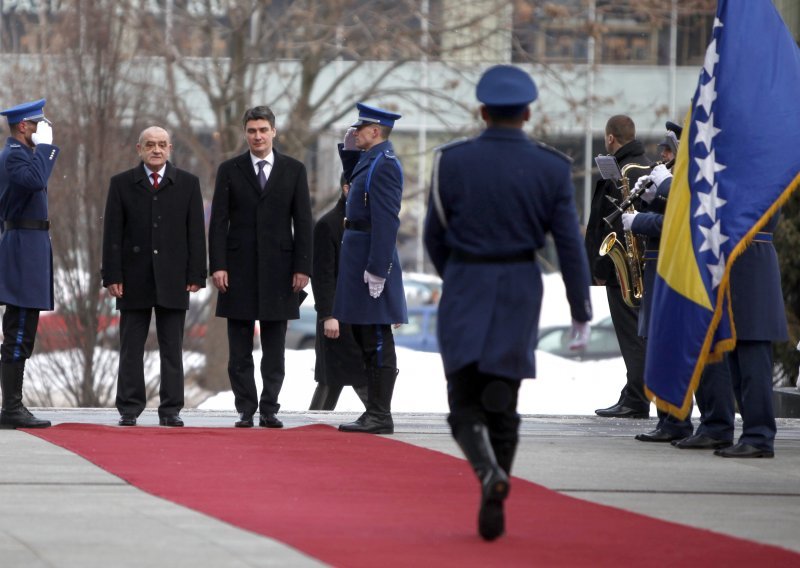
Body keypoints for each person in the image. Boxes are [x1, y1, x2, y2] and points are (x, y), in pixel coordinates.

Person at [424, 65, 592, 541]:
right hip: (520, 285)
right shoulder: (552, 167)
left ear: (482, 111)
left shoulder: (451, 162)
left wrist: (455, 274)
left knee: (463, 400)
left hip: (466, 282)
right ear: (528, 112)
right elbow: (569, 246)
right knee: (504, 398)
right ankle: (493, 493)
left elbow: (433, 236)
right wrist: (580, 308)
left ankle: (486, 473)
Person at [208, 105, 312, 429]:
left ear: (274, 132)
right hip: (237, 270)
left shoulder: (294, 170)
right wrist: (218, 265)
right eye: (252, 131)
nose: (257, 136)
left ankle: (269, 408)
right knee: (239, 348)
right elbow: (218, 222)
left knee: (274, 348)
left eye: (263, 130)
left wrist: (302, 267)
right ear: (245, 133)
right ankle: (245, 409)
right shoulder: (230, 169)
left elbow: (304, 222)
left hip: (280, 271)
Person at [101, 126, 207, 427]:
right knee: (131, 347)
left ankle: (171, 408)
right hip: (133, 278)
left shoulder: (187, 184)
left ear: (170, 148)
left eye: (161, 145)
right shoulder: (121, 184)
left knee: (172, 347)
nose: (156, 150)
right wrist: (112, 275)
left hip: (174, 278)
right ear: (139, 148)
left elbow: (196, 233)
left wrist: (197, 273)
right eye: (150, 145)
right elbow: (112, 234)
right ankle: (129, 407)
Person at [334, 102, 407, 435]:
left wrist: (379, 267)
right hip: (358, 251)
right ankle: (374, 411)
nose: (355, 132)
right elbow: (356, 188)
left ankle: (380, 413)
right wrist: (349, 153)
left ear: (375, 131)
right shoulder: (372, 160)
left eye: (360, 129)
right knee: (365, 334)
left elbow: (386, 219)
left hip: (370, 256)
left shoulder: (385, 164)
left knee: (376, 335)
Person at [586, 115, 651, 419]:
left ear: (611, 138)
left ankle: (637, 397)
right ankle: (633, 390)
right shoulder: (647, 166)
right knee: (638, 334)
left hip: (623, 269)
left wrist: (600, 266)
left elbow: (606, 223)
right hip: (641, 265)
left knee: (632, 336)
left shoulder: (622, 171)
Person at [0, 99, 58, 429]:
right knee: (19, 327)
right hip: (23, 247)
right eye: (38, 124)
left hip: (29, 245)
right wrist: (46, 149)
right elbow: (35, 181)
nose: (42, 129)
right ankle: (11, 407)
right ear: (23, 127)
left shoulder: (20, 156)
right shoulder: (15, 156)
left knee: (23, 327)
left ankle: (12, 404)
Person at [309, 174, 369, 410]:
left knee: (338, 378)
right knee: (337, 377)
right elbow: (322, 274)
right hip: (337, 314)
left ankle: (378, 415)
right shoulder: (328, 224)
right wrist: (328, 315)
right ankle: (379, 416)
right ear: (346, 188)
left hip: (361, 313)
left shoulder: (367, 222)